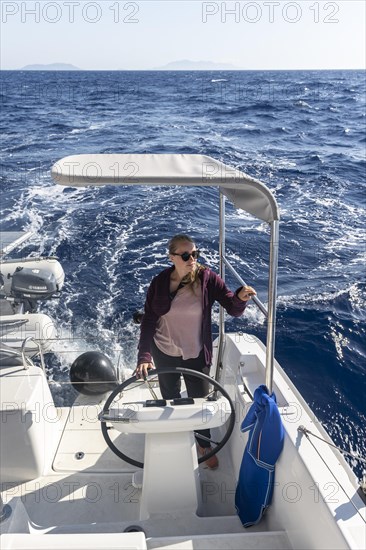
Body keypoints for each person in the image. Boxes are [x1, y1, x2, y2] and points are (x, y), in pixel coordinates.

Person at [135, 234, 256, 469]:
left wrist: (240, 297)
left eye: (195, 254)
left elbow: (232, 307)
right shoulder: (159, 282)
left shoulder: (207, 279)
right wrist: (144, 356)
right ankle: (174, 433)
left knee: (200, 401)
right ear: (172, 258)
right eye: (186, 255)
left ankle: (203, 443)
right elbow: (149, 319)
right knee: (169, 395)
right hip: (164, 349)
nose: (192, 259)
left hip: (196, 352)